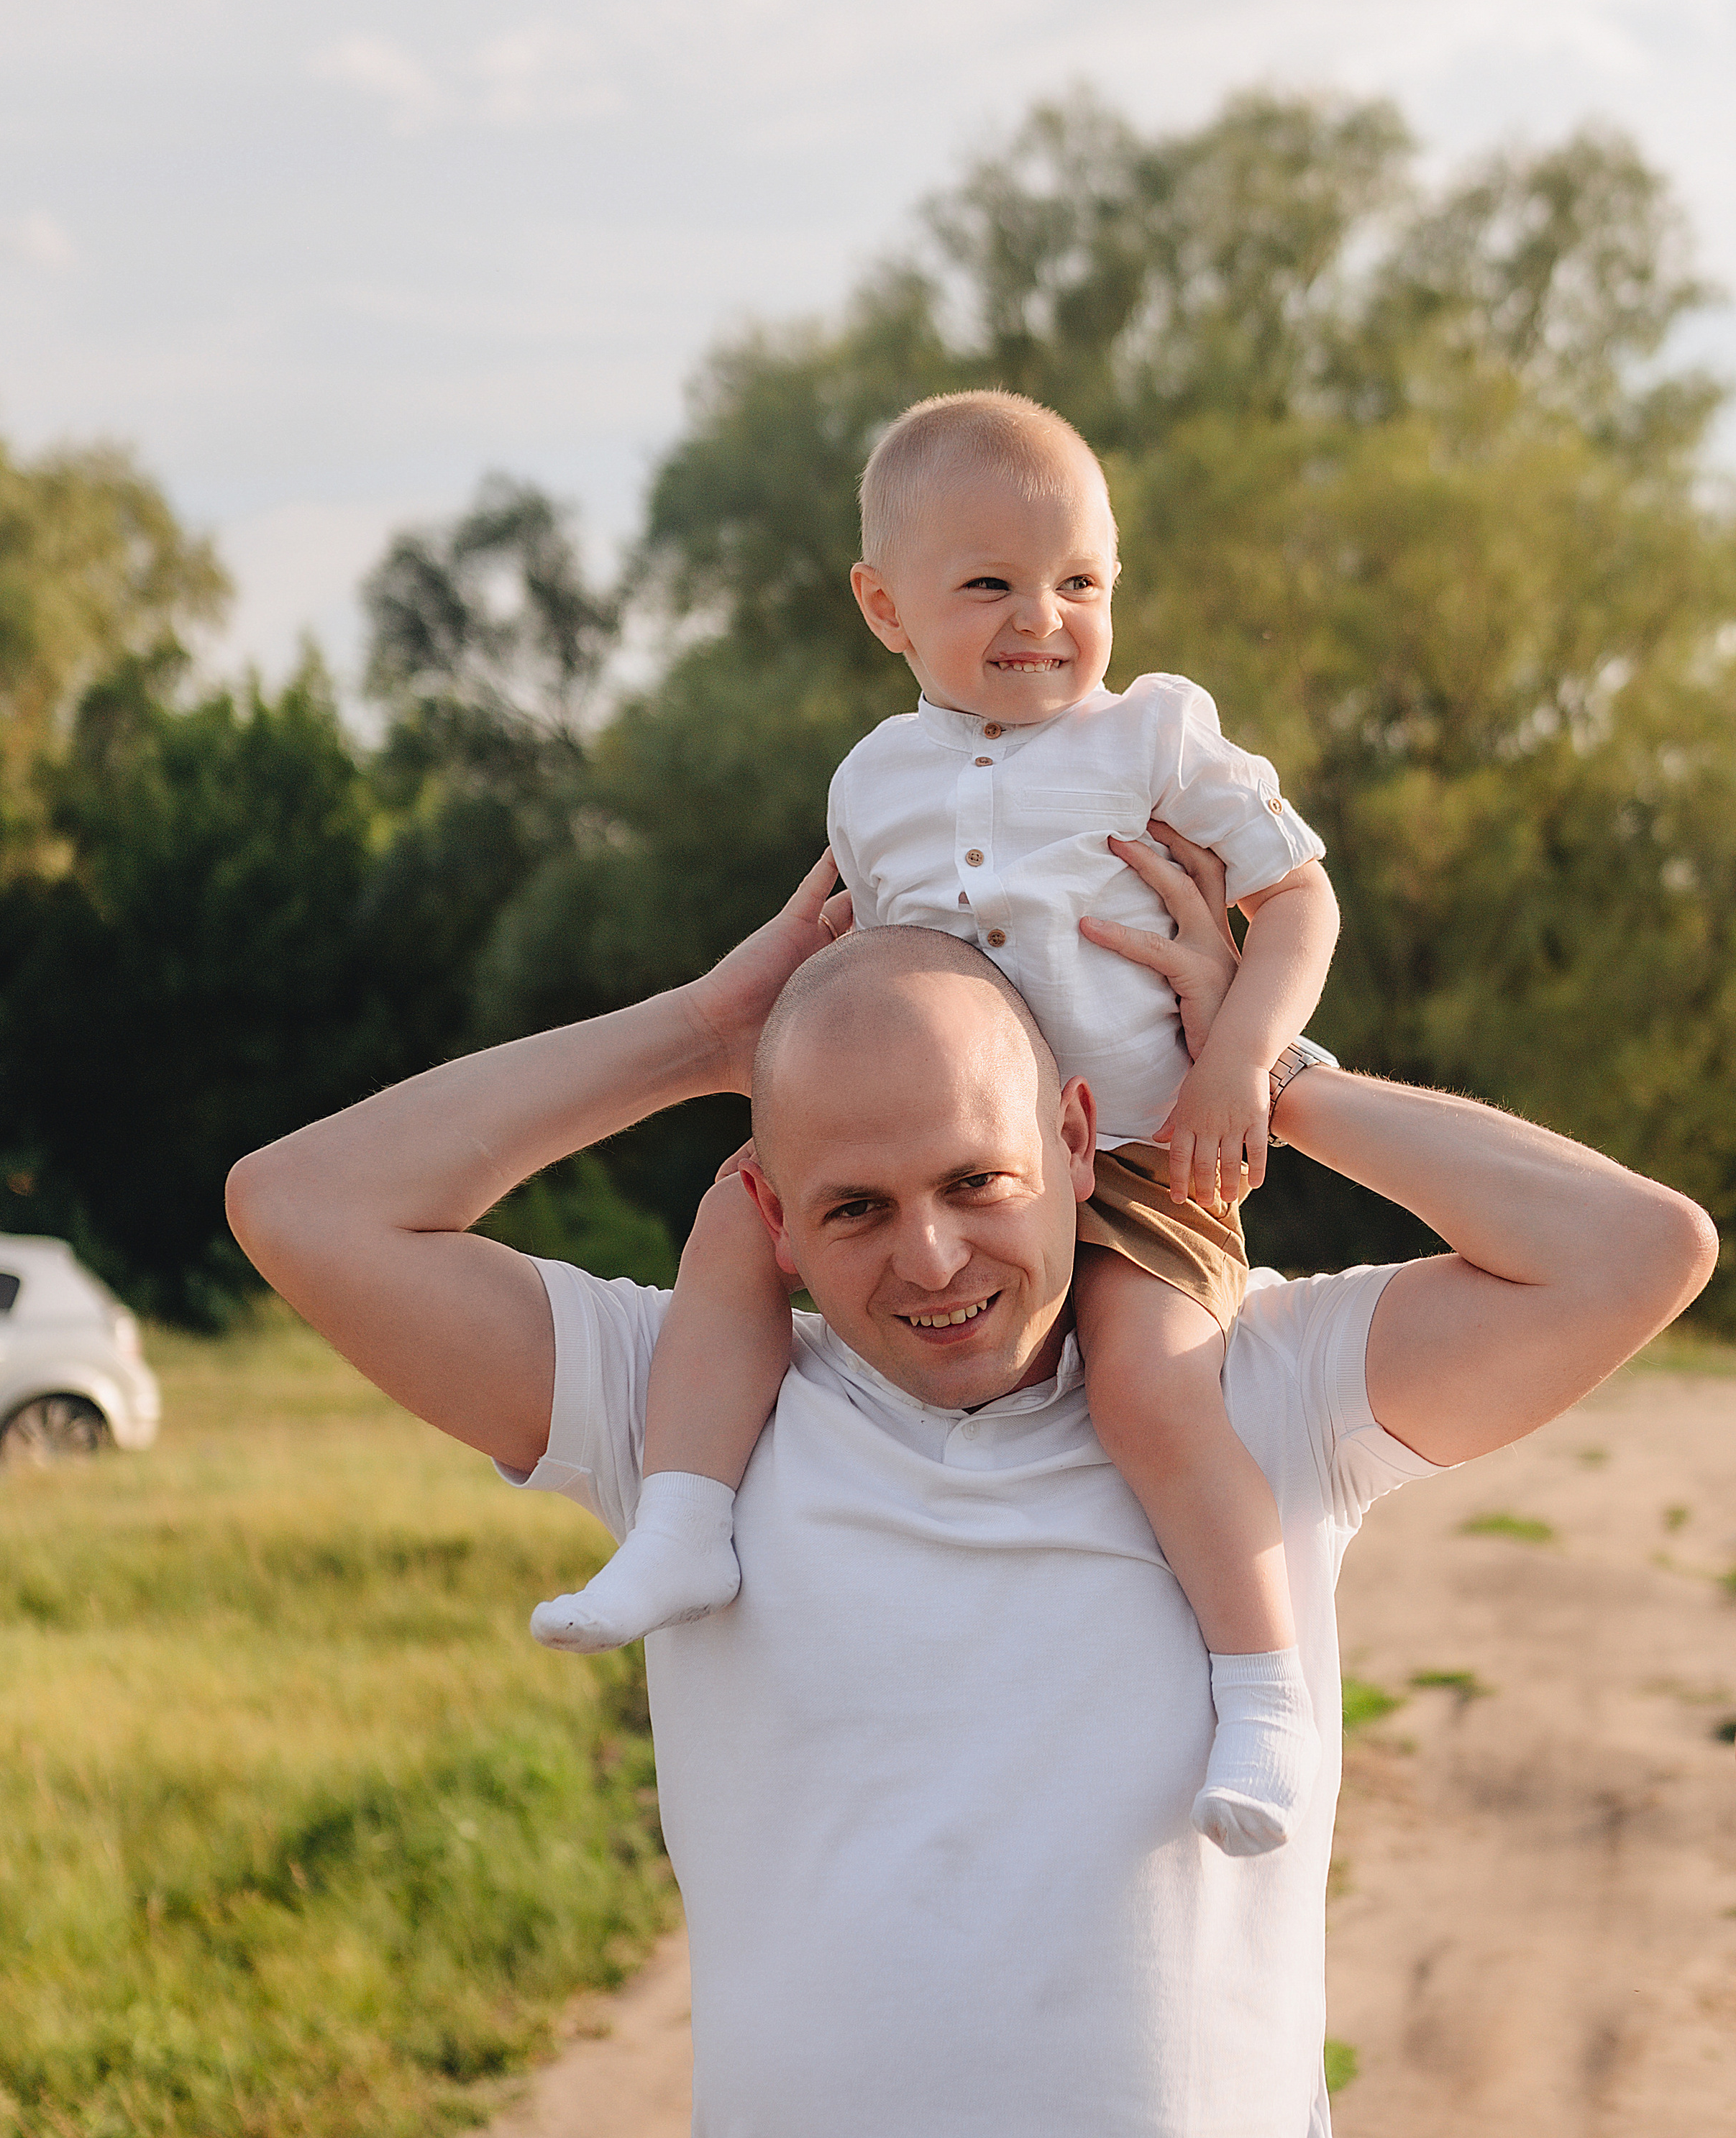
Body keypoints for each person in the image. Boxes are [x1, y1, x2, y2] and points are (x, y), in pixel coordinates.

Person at [225, 841, 1713, 2138]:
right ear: (771, 1217)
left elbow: (1635, 1252)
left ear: (1073, 1140)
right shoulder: (681, 1402)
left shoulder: (1251, 1387)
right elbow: (300, 1206)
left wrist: (1256, 1072)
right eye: (854, 1206)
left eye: (974, 1181)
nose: (929, 1259)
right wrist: (697, 1035)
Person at [535, 391, 1340, 1858]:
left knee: (1151, 1390)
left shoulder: (1154, 733)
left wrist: (1241, 1054)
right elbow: (852, 973)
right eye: (988, 584)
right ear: (882, 606)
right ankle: (683, 1519)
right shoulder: (870, 781)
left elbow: (1297, 902)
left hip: (1146, 1153)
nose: (1043, 617)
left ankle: (1264, 1695)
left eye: (1078, 581)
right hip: (936, 1162)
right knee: (732, 1220)